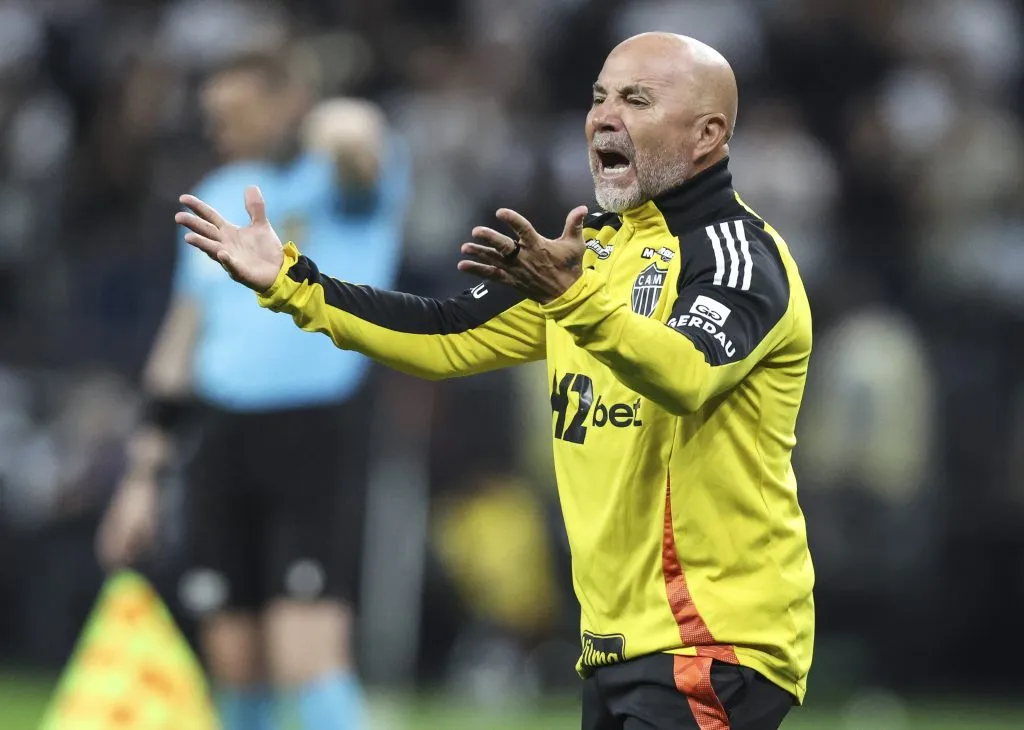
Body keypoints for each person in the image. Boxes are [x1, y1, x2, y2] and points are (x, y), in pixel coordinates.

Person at [176, 33, 813, 730]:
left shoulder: (737, 257)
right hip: (617, 643)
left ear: (707, 133)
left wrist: (572, 300)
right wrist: (294, 283)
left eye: (636, 99)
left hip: (710, 640)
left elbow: (684, 374)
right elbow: (448, 335)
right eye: (599, 96)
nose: (604, 116)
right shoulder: (595, 253)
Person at [96, 50, 410, 730]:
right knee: (233, 661)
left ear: (283, 103)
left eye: (234, 114)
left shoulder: (340, 181)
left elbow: (356, 137)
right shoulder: (220, 190)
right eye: (213, 117)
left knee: (309, 657)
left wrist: (318, 115)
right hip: (219, 435)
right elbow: (181, 342)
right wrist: (142, 475)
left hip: (312, 429)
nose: (220, 129)